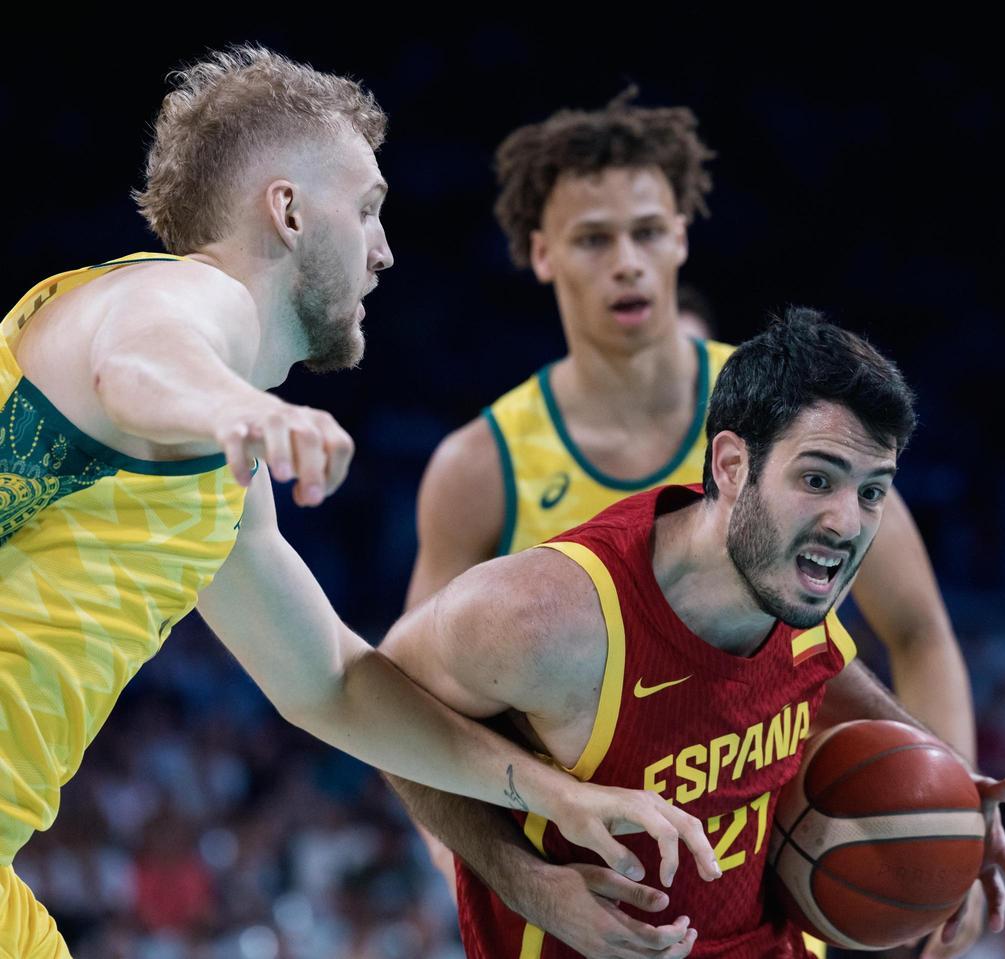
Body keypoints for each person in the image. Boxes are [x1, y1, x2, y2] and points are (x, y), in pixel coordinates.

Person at [0, 48, 714, 958]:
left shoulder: (217, 479)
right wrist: (244, 406)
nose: (385, 249)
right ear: (289, 210)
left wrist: (551, 794)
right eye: (369, 208)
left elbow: (332, 685)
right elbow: (137, 359)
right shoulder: (182, 297)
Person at [395, 92, 981, 956]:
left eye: (646, 231)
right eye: (594, 238)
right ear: (541, 253)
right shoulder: (482, 468)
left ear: (681, 236)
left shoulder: (804, 429)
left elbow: (919, 632)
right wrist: (493, 874)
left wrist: (938, 816)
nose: (626, 262)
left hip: (764, 875)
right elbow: (404, 704)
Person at [382, 310, 1005, 958]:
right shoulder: (550, 617)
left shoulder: (791, 585)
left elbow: (820, 666)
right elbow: (383, 711)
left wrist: (946, 789)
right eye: (817, 479)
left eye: (872, 491)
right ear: (729, 465)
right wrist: (528, 882)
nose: (848, 521)